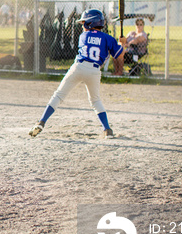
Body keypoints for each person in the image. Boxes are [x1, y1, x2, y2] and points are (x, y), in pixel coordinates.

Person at [29, 9, 125, 139]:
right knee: (95, 100)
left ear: (90, 23)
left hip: (79, 67)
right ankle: (107, 130)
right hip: (94, 71)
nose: (82, 25)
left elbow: (93, 41)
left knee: (58, 95)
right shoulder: (108, 38)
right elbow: (119, 54)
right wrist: (122, 43)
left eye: (84, 23)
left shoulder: (83, 36)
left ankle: (41, 122)